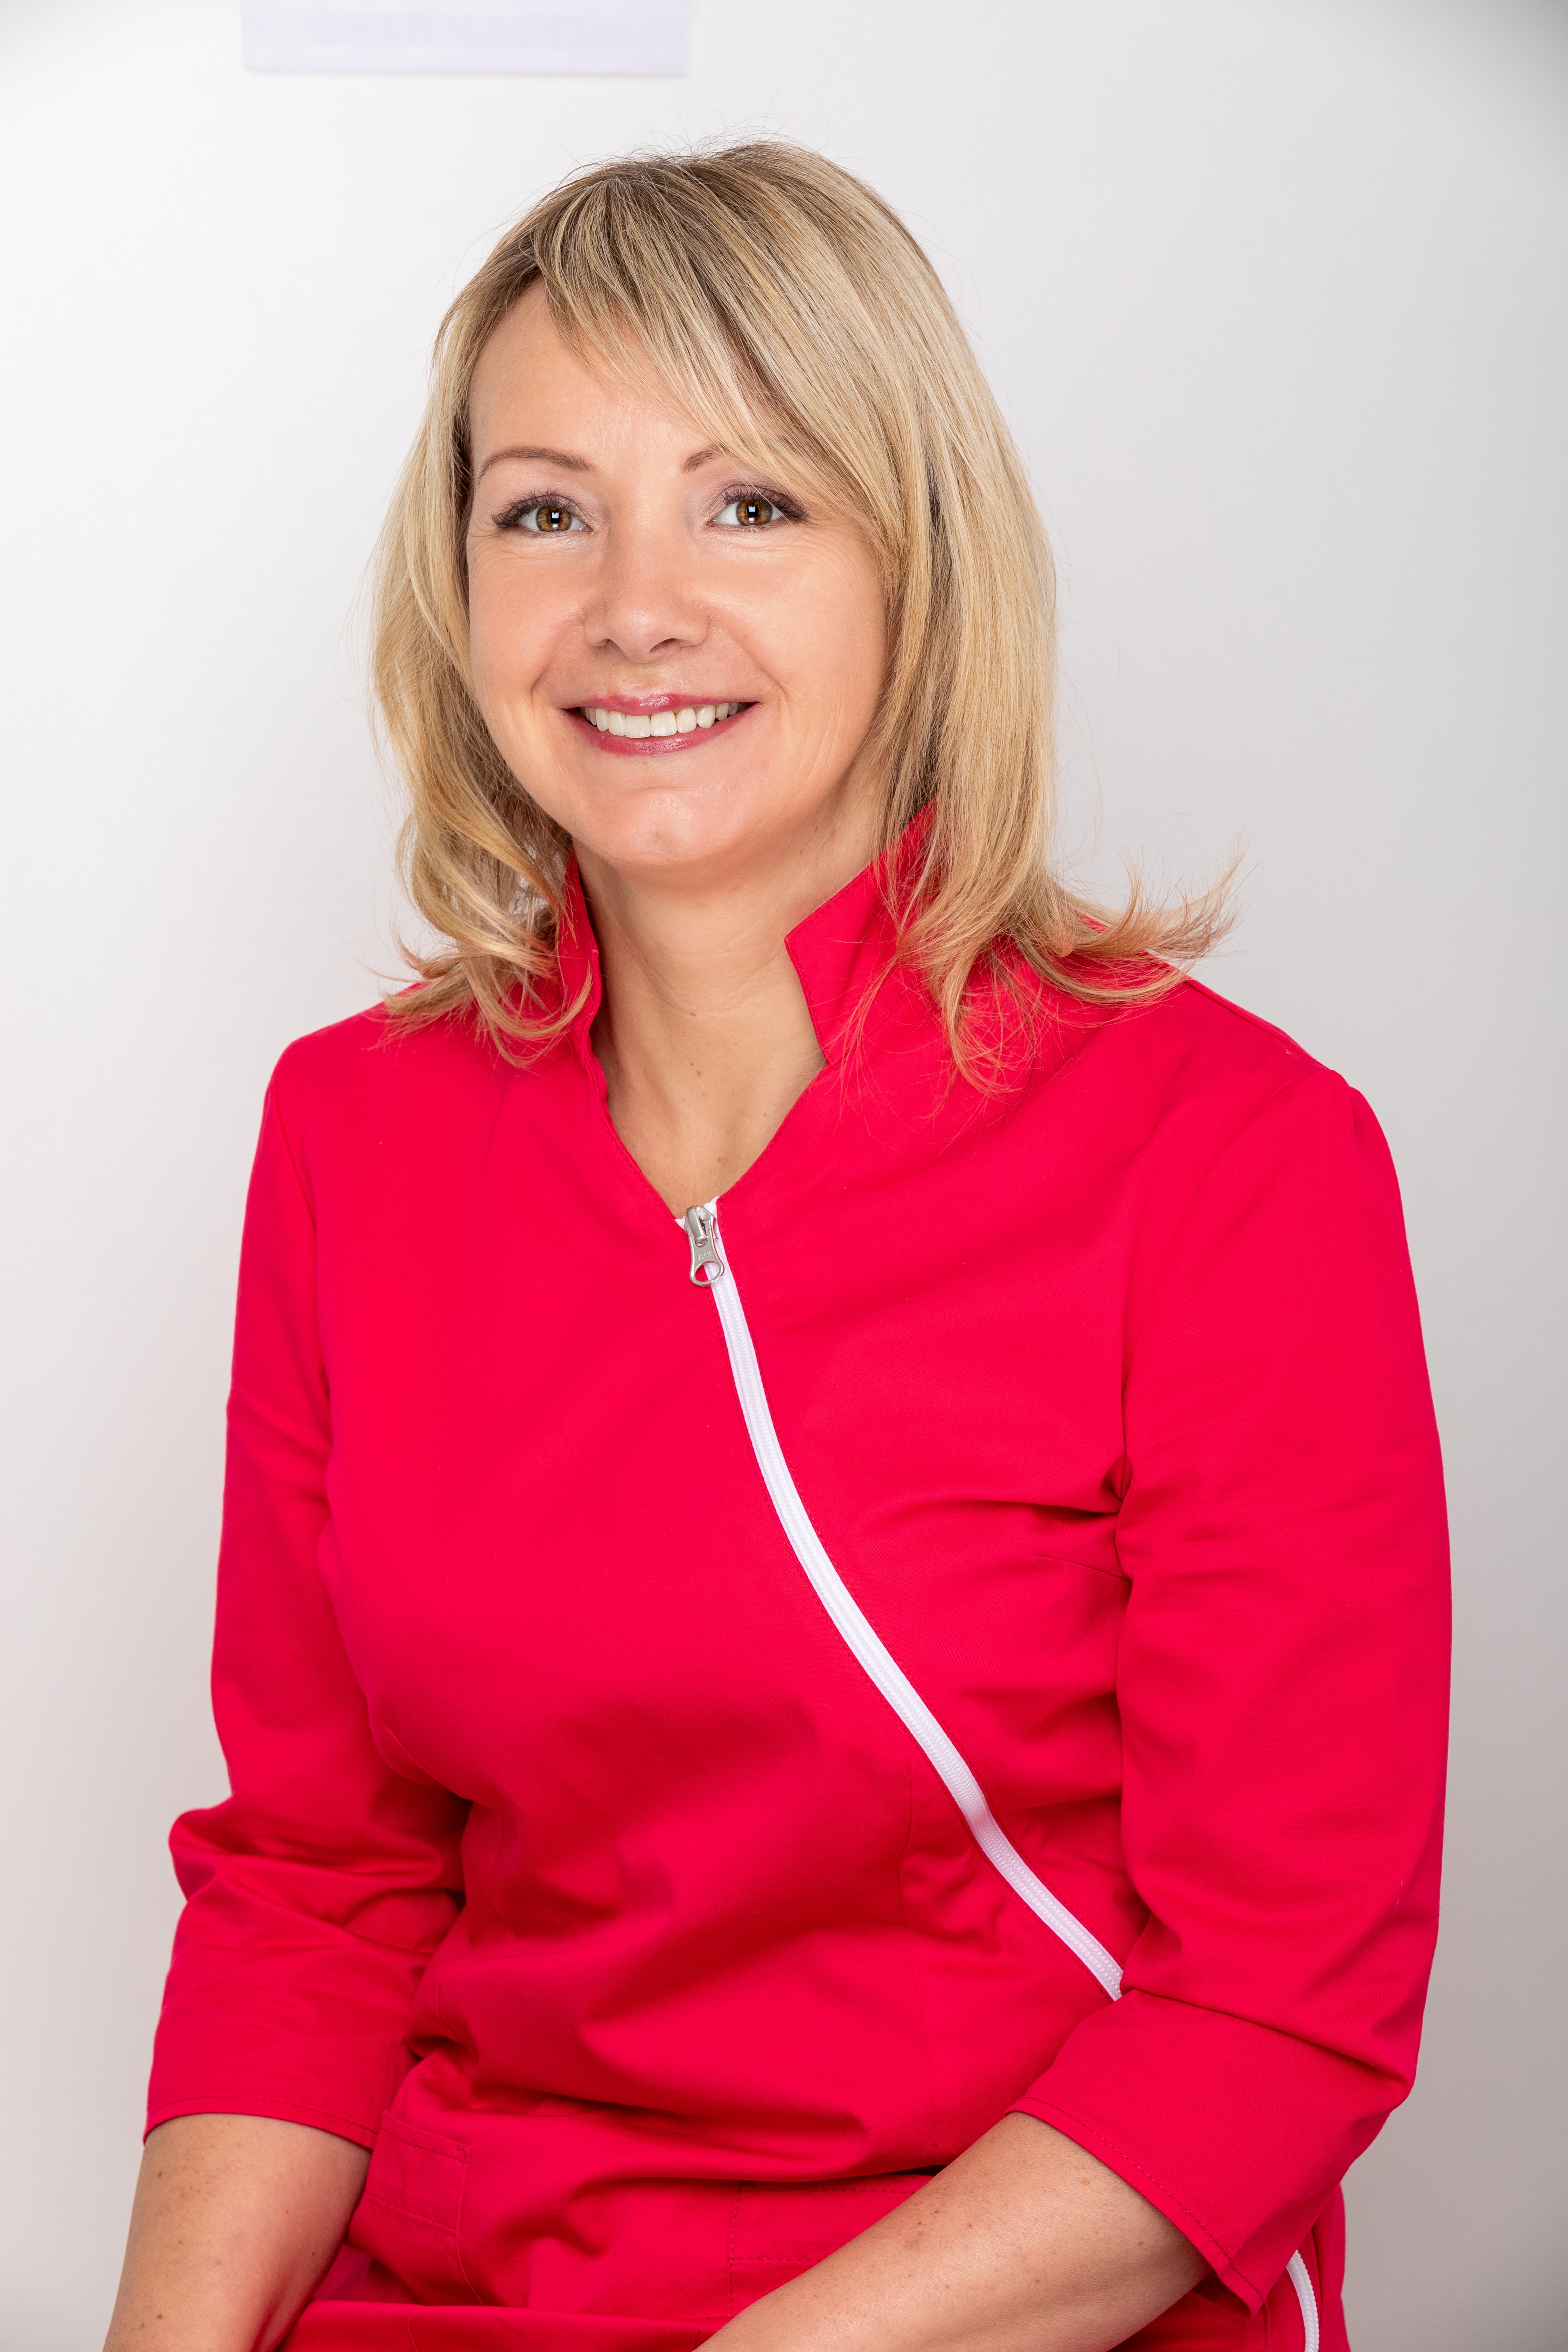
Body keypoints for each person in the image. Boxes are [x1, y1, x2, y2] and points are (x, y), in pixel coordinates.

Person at [103, 144, 1449, 2352]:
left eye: (750, 503)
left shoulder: (1233, 1157)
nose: (637, 604)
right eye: (547, 510)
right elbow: (319, 1891)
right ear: (460, 581)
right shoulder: (353, 1133)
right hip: (464, 2289)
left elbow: (1279, 2009)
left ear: (918, 562)